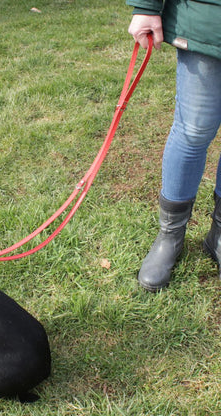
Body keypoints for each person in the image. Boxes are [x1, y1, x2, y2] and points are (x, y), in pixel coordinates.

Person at [126, 0, 221, 291]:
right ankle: (170, 235)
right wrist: (145, 5)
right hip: (207, 16)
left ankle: (218, 234)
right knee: (193, 130)